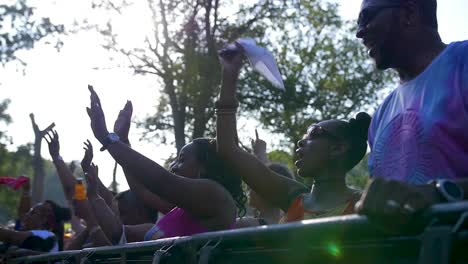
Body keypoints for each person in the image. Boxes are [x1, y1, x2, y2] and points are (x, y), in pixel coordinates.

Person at [216, 47, 370, 222]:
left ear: (338, 148)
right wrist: (229, 74)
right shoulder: (292, 196)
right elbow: (228, 149)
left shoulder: (366, 204)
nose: (301, 142)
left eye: (313, 133)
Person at [85, 86, 246, 243]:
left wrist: (106, 137)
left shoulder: (215, 195)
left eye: (182, 160)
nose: (173, 166)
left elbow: (162, 182)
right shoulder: (181, 210)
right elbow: (141, 191)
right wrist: (94, 196)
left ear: (204, 167)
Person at [354, 0, 468, 219]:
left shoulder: (463, 62)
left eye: (367, 18)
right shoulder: (380, 115)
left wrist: (440, 193)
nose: (360, 33)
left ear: (409, 13)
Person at [237, 131, 295, 228]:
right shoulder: (286, 223)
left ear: (264, 190)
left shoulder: (245, 224)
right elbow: (270, 178)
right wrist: (260, 153)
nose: (249, 188)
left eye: (253, 184)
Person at [0, 200, 71, 255]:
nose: (26, 216)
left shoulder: (46, 235)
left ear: (43, 221)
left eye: (32, 213)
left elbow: (11, 237)